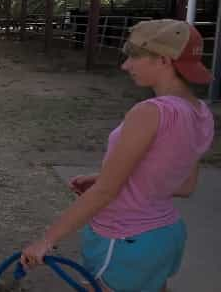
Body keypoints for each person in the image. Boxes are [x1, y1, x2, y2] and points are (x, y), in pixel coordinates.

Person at [20, 19, 215, 292]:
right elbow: (184, 185)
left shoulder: (149, 112)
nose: (125, 65)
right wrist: (104, 177)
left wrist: (46, 241)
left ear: (163, 60)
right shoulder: (200, 113)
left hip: (125, 238)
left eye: (134, 56)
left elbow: (105, 193)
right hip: (165, 235)